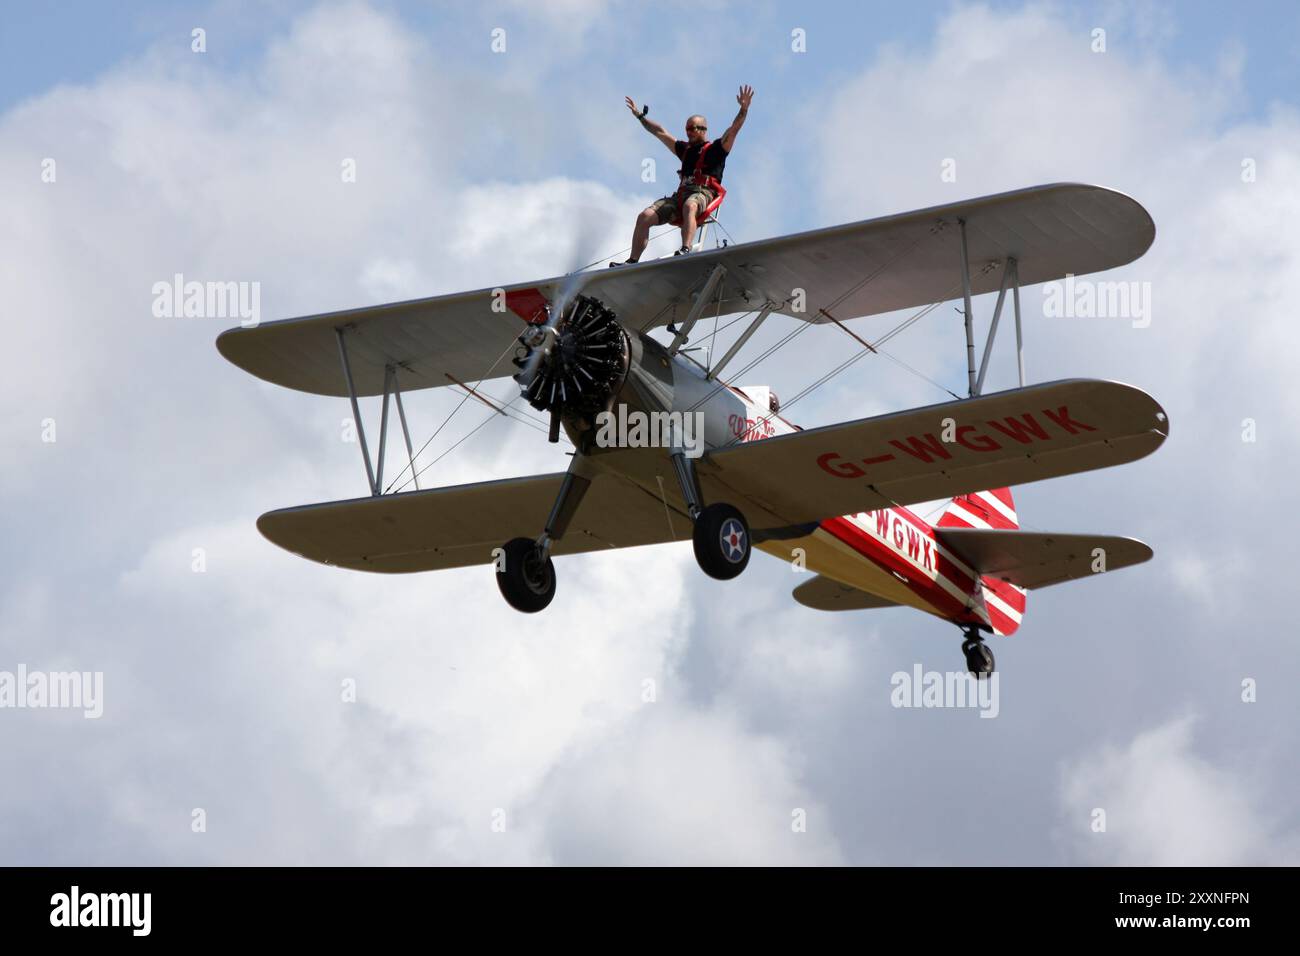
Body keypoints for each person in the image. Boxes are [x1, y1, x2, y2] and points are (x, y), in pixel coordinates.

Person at [614, 85, 753, 265]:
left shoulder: (717, 149)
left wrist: (743, 109)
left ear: (703, 130)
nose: (688, 132)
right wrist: (640, 116)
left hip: (703, 193)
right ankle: (632, 261)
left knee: (690, 205)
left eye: (692, 128)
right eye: (687, 128)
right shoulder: (685, 150)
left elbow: (733, 129)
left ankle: (686, 249)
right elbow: (660, 132)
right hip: (680, 195)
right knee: (644, 216)